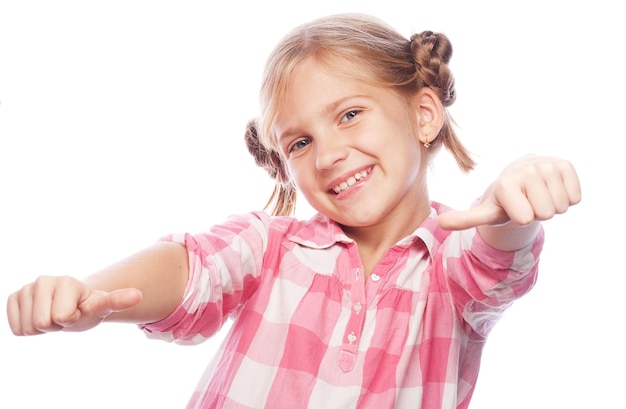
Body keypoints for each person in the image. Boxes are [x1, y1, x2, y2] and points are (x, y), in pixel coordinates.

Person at [6, 13, 581, 409]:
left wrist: (514, 209)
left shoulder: (451, 266)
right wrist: (92, 293)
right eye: (299, 143)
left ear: (424, 114)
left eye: (350, 114)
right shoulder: (271, 247)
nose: (328, 154)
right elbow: (194, 267)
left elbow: (497, 264)